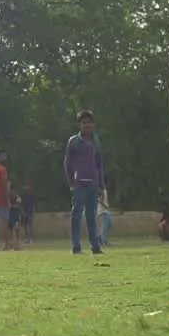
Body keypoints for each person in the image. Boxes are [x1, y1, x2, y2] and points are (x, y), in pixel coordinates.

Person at [63, 109, 105, 255]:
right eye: (83, 123)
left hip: (93, 183)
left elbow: (99, 164)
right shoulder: (73, 141)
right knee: (77, 214)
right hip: (79, 183)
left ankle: (95, 246)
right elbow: (67, 163)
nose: (87, 126)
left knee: (91, 216)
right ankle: (76, 246)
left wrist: (101, 185)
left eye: (89, 123)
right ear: (79, 125)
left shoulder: (96, 141)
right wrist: (71, 183)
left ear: (93, 124)